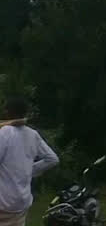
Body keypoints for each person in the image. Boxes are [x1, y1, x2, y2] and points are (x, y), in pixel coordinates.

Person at [0, 96, 59, 226]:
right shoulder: (33, 134)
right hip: (21, 203)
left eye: (5, 109)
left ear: (9, 111)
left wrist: (27, 170)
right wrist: (28, 170)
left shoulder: (5, 132)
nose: (3, 112)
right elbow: (52, 159)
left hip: (3, 201)